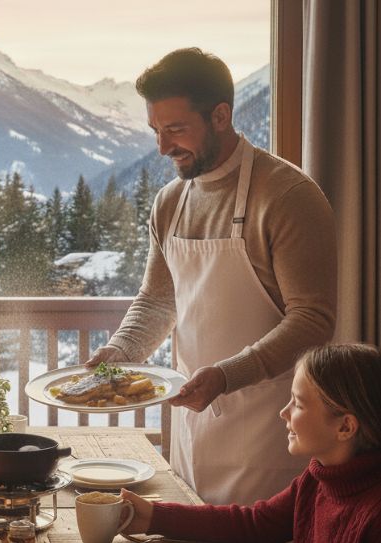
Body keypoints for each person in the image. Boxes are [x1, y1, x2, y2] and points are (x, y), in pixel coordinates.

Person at [88, 48, 337, 505]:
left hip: (270, 433)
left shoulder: (287, 196)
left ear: (220, 115)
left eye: (176, 130)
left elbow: (313, 321)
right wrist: (120, 352)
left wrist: (226, 376)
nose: (162, 147)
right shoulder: (169, 202)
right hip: (192, 428)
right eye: (156, 131)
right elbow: (158, 301)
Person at [120, 344, 381, 543]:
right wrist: (153, 516)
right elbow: (254, 524)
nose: (283, 412)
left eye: (297, 404)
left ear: (345, 427)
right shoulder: (318, 481)